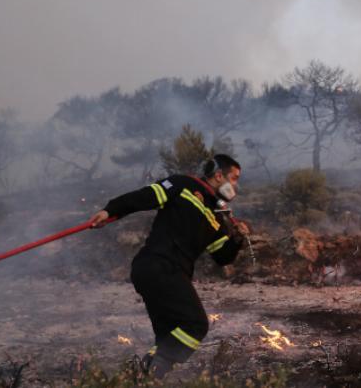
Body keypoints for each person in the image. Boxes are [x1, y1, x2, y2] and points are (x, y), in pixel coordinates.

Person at [88, 154, 249, 378]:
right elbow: (145, 197)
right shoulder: (184, 184)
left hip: (168, 273)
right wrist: (110, 209)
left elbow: (223, 257)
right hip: (158, 265)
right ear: (219, 175)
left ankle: (143, 378)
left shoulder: (216, 217)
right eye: (234, 178)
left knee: (167, 338)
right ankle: (146, 376)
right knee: (195, 325)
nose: (235, 185)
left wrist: (237, 239)